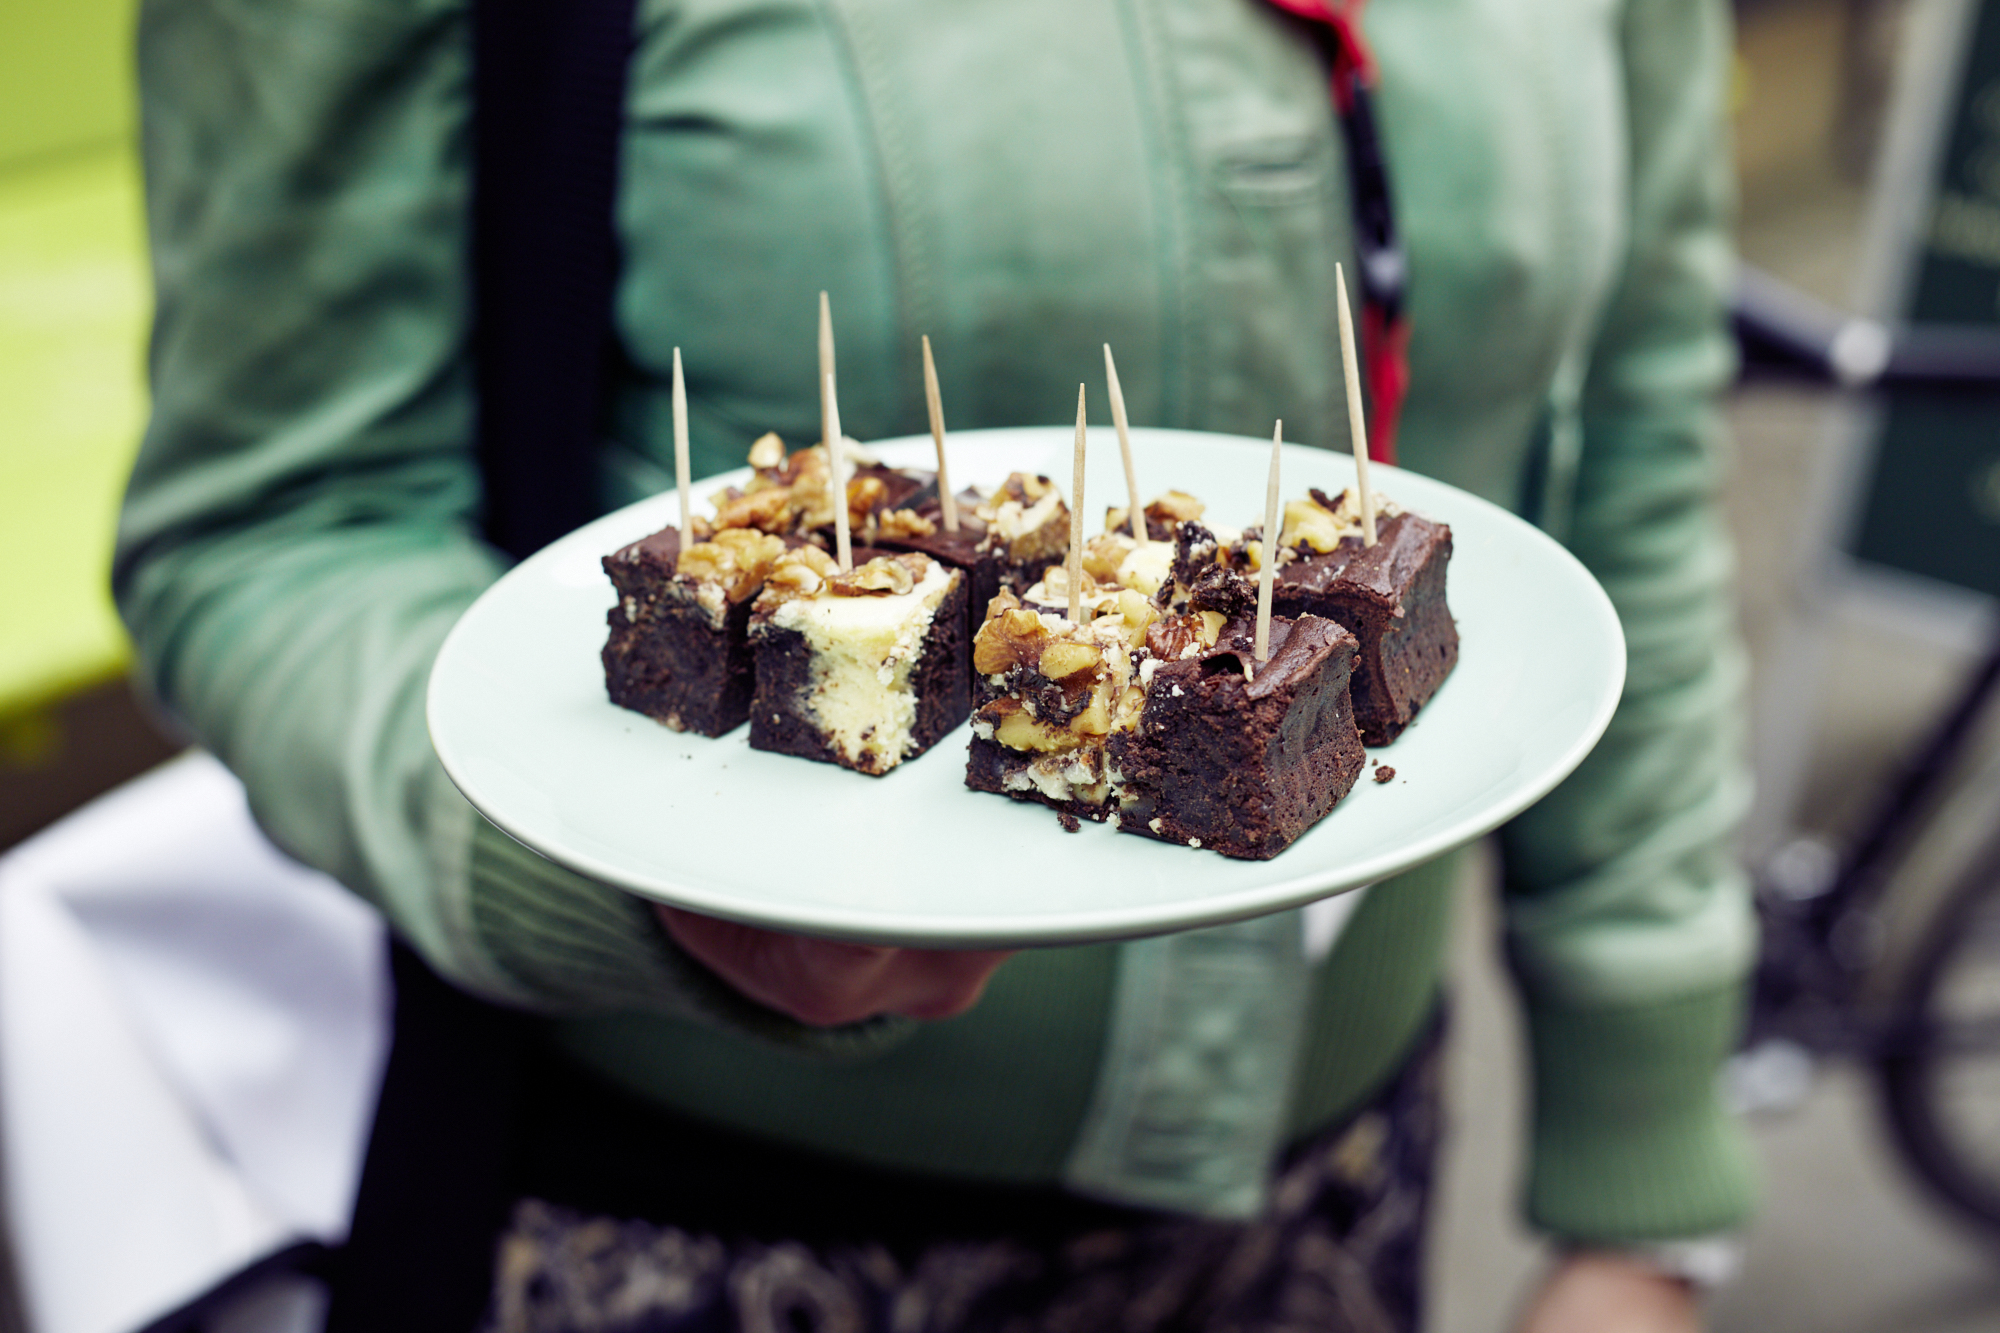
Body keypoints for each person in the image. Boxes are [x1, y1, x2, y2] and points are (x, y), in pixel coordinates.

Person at [116, 0, 1756, 1328]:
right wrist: (613, 863)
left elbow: (1629, 458)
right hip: (687, 1239)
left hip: (1348, 1202)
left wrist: (1644, 1174)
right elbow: (276, 523)